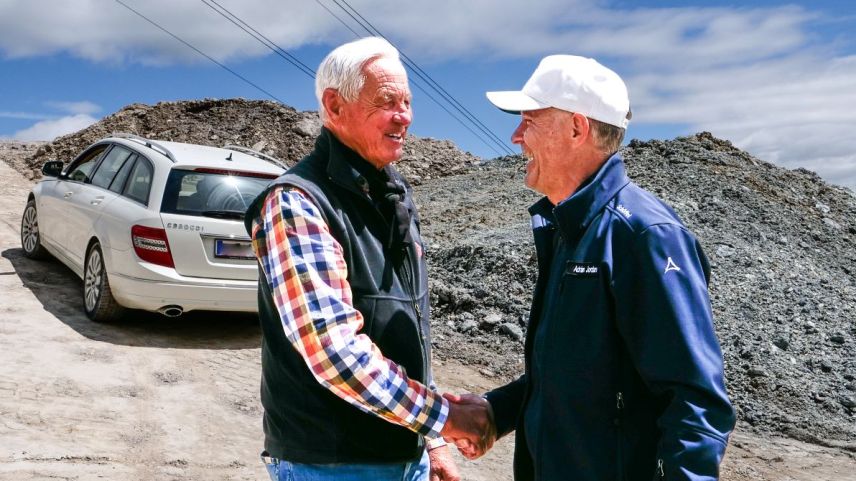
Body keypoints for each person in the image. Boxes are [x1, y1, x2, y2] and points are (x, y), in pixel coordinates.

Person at [446, 55, 736, 480]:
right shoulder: (571, 228)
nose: (515, 136)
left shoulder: (644, 236)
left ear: (577, 128)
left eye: (529, 121)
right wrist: (499, 410)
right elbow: (582, 376)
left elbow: (695, 400)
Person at [244, 37, 489, 481]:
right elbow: (334, 350)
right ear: (334, 106)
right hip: (331, 463)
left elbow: (407, 326)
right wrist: (443, 419)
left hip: (400, 454)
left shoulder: (390, 194)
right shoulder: (297, 203)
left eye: (408, 102)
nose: (405, 117)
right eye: (388, 101)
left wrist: (431, 442)